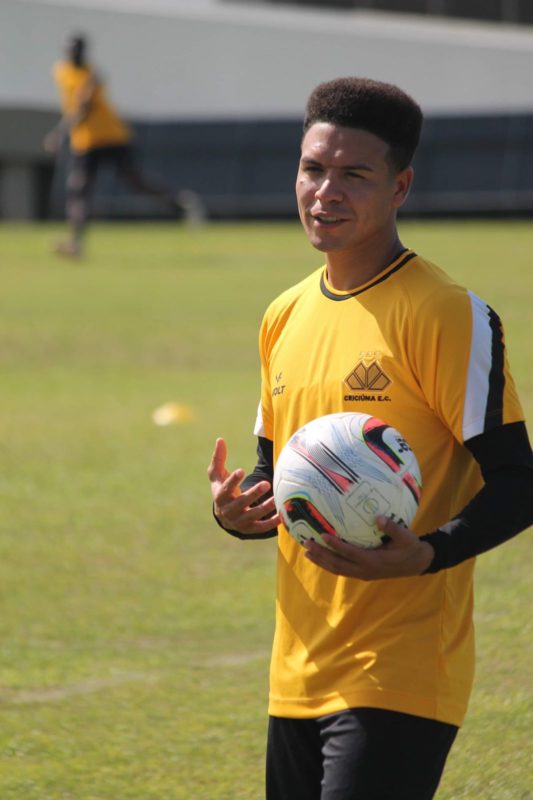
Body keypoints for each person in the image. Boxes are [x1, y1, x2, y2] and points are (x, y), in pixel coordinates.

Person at [207, 76, 533, 800]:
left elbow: (518, 479)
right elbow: (277, 477)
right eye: (312, 168)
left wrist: (430, 553)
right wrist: (237, 512)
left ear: (399, 186)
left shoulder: (445, 312)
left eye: (353, 174)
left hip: (402, 669)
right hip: (296, 668)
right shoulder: (283, 315)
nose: (325, 190)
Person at [44, 34, 205, 257]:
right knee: (78, 189)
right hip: (86, 141)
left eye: (77, 50)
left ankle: (181, 205)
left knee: (136, 182)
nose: (73, 55)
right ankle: (76, 244)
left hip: (111, 137)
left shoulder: (93, 76)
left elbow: (84, 108)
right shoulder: (61, 71)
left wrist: (60, 133)